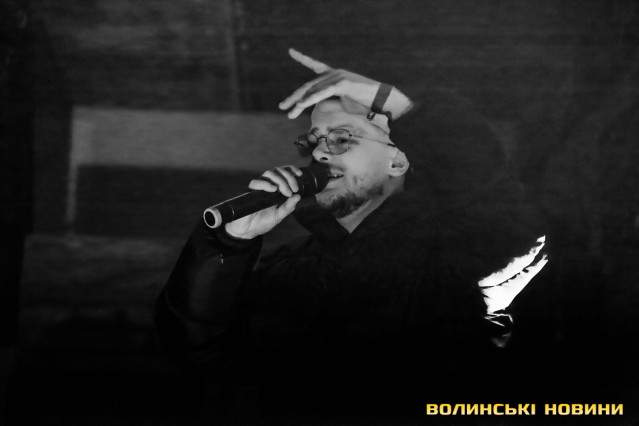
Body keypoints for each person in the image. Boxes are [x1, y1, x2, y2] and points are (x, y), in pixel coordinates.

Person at [155, 49, 547, 424]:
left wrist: (399, 106)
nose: (320, 154)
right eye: (314, 140)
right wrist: (227, 246)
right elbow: (199, 353)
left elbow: (495, 204)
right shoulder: (286, 268)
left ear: (397, 160)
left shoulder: (450, 249)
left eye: (342, 138)